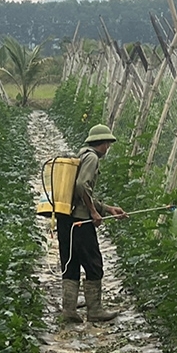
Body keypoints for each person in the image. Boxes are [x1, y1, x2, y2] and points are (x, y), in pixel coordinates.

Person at [58, 124, 127, 323]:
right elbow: (82, 186)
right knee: (93, 263)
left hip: (66, 218)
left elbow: (78, 192)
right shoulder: (92, 158)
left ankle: (69, 310)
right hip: (80, 221)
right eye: (108, 144)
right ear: (104, 144)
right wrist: (94, 212)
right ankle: (94, 310)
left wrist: (107, 208)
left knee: (70, 262)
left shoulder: (81, 156)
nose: (108, 148)